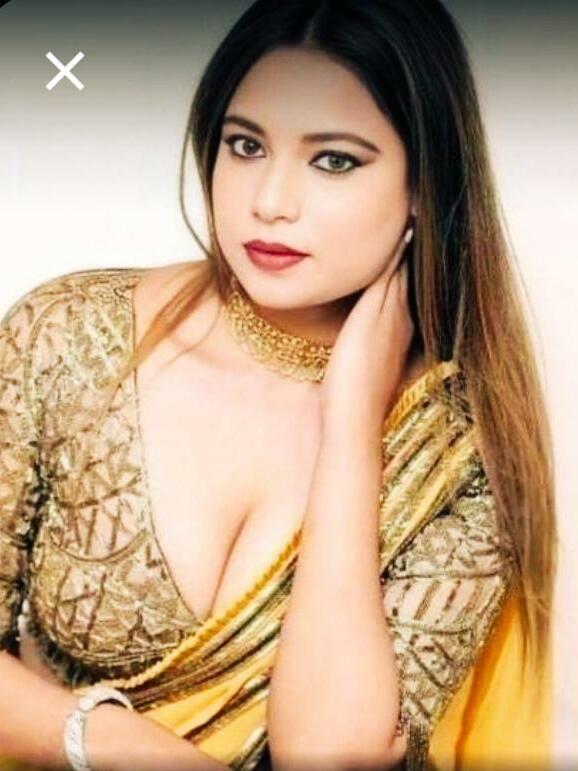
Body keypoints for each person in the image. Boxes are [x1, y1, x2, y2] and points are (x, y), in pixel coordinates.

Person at [0, 0, 557, 769]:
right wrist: (120, 744)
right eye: (246, 145)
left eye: (335, 160)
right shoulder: (67, 335)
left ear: (425, 184)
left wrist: (353, 421)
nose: (269, 201)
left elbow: (329, 753)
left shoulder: (460, 452)